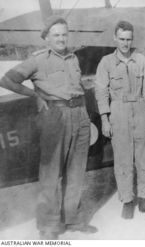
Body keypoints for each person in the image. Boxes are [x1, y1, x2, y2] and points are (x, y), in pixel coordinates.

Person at [0, 16, 97, 239]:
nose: (61, 39)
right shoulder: (38, 60)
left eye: (64, 34)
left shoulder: (73, 58)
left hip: (79, 114)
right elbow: (7, 80)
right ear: (47, 38)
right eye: (56, 35)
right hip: (55, 116)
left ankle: (73, 219)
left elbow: (76, 87)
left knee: (76, 171)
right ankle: (49, 225)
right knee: (51, 174)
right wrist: (34, 95)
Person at [94, 20, 145, 219]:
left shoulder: (140, 60)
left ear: (132, 39)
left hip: (140, 108)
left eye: (128, 39)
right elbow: (101, 92)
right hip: (118, 111)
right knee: (123, 160)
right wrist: (105, 119)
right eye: (121, 39)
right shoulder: (106, 62)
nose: (125, 43)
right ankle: (127, 201)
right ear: (115, 38)